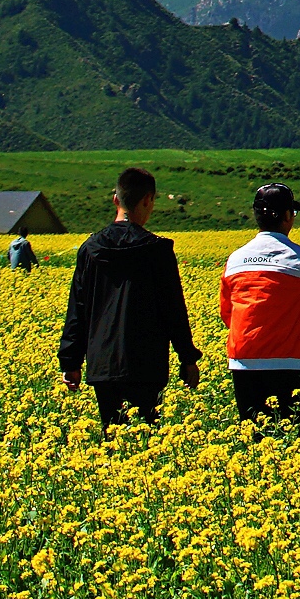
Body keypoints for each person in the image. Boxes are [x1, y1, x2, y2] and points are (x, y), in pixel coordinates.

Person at [58, 167, 201, 426]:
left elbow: (78, 308)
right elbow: (173, 311)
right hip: (147, 364)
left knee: (112, 439)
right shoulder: (157, 251)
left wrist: (71, 361)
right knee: (146, 439)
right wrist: (187, 357)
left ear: (116, 199)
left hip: (103, 365)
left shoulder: (90, 249)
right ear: (147, 200)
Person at [221, 183, 300, 424]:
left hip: (244, 361)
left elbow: (227, 312)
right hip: (290, 361)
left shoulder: (236, 259)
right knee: (292, 435)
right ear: (287, 216)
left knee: (252, 435)